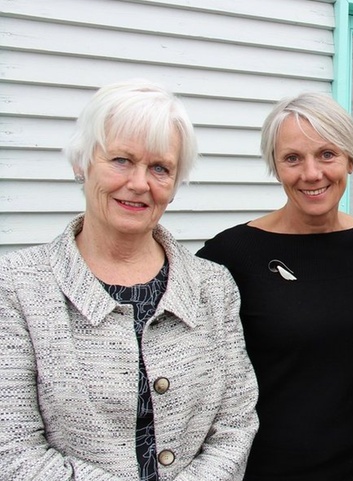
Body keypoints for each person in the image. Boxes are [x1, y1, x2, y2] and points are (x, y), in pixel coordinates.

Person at [0, 79, 259, 480]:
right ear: (81, 163)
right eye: (121, 159)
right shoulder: (17, 286)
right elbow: (14, 449)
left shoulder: (213, 287)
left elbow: (235, 425)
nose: (139, 183)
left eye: (160, 168)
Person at [197, 92, 353, 481]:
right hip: (258, 469)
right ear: (275, 166)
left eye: (326, 154)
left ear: (349, 160)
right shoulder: (231, 254)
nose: (311, 173)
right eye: (292, 158)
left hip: (352, 464)